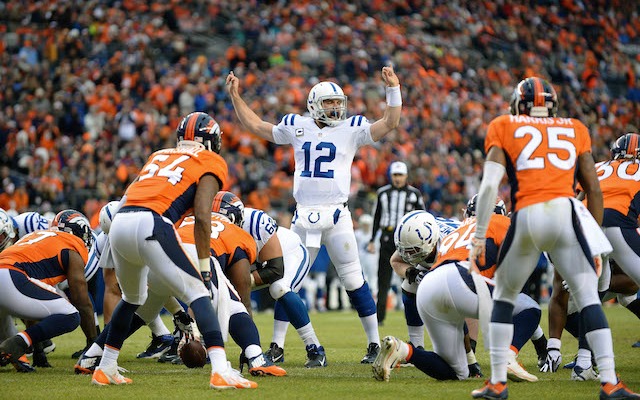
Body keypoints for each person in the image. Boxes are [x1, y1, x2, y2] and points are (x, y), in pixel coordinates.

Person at [468, 77, 638, 399]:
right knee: (589, 297)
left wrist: (478, 235)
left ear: (518, 105)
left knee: (504, 297)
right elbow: (593, 188)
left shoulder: (504, 124)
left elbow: (490, 186)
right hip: (566, 214)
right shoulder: (575, 127)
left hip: (529, 213)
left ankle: (498, 382)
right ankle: (610, 381)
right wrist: (593, 237)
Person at [226, 65, 402, 363]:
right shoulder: (297, 125)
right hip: (304, 214)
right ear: (314, 105)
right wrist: (235, 96)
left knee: (353, 280)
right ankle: (278, 345)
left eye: (338, 102)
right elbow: (256, 126)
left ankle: (374, 344)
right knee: (287, 281)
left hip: (337, 214)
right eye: (329, 103)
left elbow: (390, 122)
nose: (336, 108)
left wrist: (393, 89)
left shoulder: (352, 128)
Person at [93, 111, 257, 389]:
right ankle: (220, 370)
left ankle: (105, 366)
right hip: (152, 223)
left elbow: (132, 193)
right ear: (212, 141)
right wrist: (204, 267)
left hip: (120, 223)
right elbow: (204, 217)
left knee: (132, 298)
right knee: (199, 293)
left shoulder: (158, 155)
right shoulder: (210, 160)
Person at [374, 203, 541, 383]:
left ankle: (403, 350)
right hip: (459, 276)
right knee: (530, 308)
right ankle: (507, 357)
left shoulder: (459, 229)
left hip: (429, 287)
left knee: (455, 372)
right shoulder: (501, 223)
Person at [0, 210, 97, 372]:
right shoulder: (72, 244)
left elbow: (31, 308)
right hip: (11, 277)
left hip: (11, 277)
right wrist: (94, 343)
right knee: (71, 316)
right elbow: (81, 301)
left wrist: (38, 350)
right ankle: (14, 344)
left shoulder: (36, 237)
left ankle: (16, 349)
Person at [242, 206, 327, 368]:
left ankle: (315, 348)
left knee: (279, 288)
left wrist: (247, 280)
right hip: (266, 262)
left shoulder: (252, 219)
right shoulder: (217, 229)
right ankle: (276, 349)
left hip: (290, 252)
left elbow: (275, 269)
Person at [368, 161, 425, 326]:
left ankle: (417, 314)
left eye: (400, 175)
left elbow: (422, 216)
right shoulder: (383, 193)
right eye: (395, 175)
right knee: (383, 279)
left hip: (407, 238)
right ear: (390, 176)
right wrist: (372, 239)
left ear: (406, 176)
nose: (398, 178)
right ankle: (379, 318)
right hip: (387, 236)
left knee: (411, 276)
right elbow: (377, 217)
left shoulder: (414, 194)